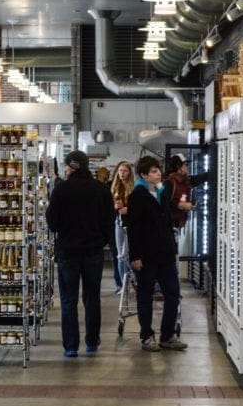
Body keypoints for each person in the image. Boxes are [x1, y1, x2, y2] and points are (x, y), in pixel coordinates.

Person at [46, 150, 114, 357]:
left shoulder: (62, 189)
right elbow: (109, 221)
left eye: (66, 165)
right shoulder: (101, 189)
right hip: (93, 251)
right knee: (92, 298)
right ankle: (92, 342)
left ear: (72, 166)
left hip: (68, 251)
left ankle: (71, 346)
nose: (65, 169)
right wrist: (100, 241)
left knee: (68, 300)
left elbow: (52, 222)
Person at [125, 155, 187, 352]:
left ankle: (167, 336)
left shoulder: (161, 192)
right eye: (153, 171)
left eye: (158, 170)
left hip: (166, 254)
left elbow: (167, 222)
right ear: (144, 174)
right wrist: (135, 256)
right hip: (146, 256)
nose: (158, 173)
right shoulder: (138, 195)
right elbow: (133, 228)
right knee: (145, 296)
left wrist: (173, 246)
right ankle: (146, 336)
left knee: (173, 295)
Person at [163, 153, 209, 242]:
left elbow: (202, 177)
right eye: (185, 165)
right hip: (169, 225)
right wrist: (181, 205)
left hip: (178, 225)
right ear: (178, 167)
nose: (188, 167)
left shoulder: (186, 180)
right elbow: (164, 204)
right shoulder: (169, 183)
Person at [110, 161, 134, 292]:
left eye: (124, 171)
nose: (122, 174)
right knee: (120, 256)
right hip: (118, 223)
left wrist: (128, 209)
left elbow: (138, 207)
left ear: (129, 172)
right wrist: (115, 207)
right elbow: (110, 207)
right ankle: (123, 286)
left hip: (130, 225)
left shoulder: (134, 188)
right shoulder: (115, 188)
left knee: (128, 255)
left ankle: (134, 282)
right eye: (120, 171)